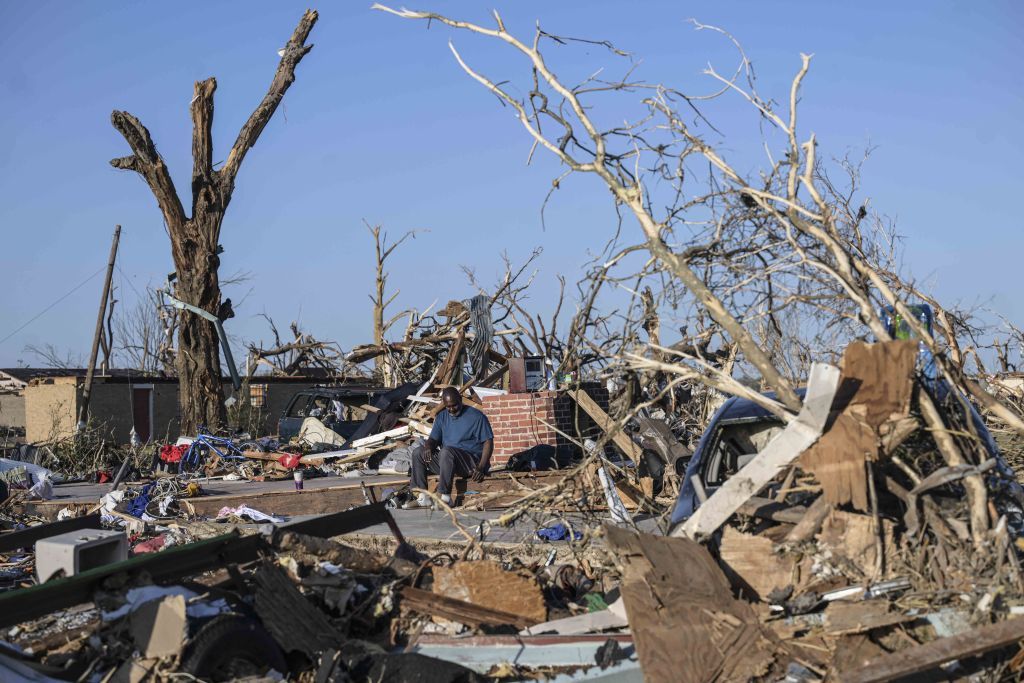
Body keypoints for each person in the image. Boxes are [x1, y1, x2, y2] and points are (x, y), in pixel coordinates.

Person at [404, 387, 494, 509]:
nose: (451, 409)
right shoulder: (442, 417)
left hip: (469, 463)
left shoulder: (476, 417)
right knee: (418, 452)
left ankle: (445, 498)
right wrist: (428, 447)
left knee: (446, 451)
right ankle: (423, 497)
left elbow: (488, 441)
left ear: (460, 400)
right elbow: (433, 439)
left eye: (454, 405)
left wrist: (482, 467)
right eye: (448, 407)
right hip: (447, 462)